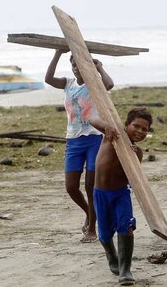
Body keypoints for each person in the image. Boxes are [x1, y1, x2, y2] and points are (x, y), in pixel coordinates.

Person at [45, 49, 114, 243]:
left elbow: (109, 84)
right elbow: (48, 78)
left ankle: (92, 228)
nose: (76, 69)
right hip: (73, 140)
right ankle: (90, 213)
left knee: (91, 185)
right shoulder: (68, 84)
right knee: (71, 187)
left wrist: (99, 67)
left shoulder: (94, 84)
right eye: (74, 65)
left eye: (80, 65)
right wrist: (57, 53)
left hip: (93, 138)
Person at [89, 107, 152, 286]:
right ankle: (111, 255)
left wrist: (133, 156)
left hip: (120, 193)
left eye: (144, 129)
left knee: (126, 227)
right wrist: (106, 126)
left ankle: (125, 269)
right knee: (104, 233)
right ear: (126, 125)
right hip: (100, 193)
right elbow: (92, 116)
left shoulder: (137, 151)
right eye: (136, 126)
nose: (139, 131)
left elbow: (134, 177)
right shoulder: (112, 135)